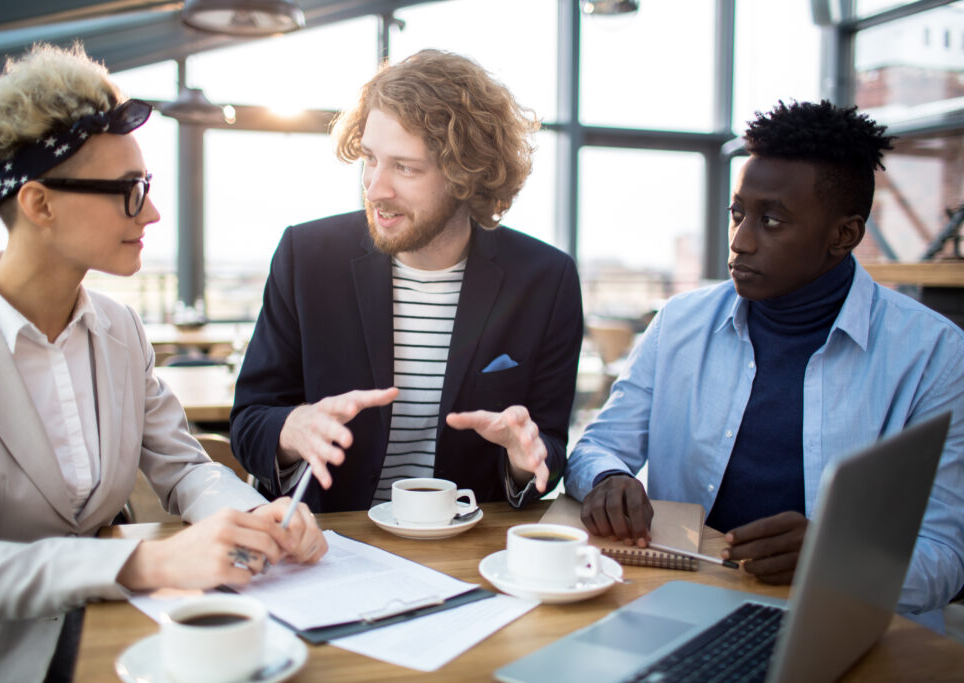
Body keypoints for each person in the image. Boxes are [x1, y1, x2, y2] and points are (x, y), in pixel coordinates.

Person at [0, 44, 327, 683]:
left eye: (144, 186)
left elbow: (181, 468)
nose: (150, 212)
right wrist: (148, 565)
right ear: (39, 204)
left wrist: (251, 516)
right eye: (129, 192)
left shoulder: (120, 329)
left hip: (120, 630)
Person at [565, 100, 964, 631]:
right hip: (681, 607)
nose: (740, 241)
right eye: (738, 213)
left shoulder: (936, 353)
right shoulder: (679, 323)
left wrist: (835, 559)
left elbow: (946, 558)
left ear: (843, 236)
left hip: (841, 625)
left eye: (771, 220)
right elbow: (595, 447)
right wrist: (609, 478)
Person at [231, 49, 583, 513]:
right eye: (370, 159)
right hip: (329, 539)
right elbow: (250, 422)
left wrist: (524, 462)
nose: (376, 188)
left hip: (466, 549)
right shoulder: (307, 256)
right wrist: (292, 428)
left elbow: (549, 449)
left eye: (405, 167)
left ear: (466, 176)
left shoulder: (546, 279)